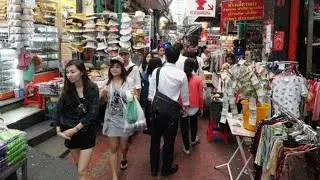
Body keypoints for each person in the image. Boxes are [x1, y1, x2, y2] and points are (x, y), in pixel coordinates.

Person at [54, 60, 100, 180]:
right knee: (80, 168)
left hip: (86, 133)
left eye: (73, 71)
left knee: (81, 170)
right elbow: (58, 110)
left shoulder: (92, 88)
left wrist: (74, 129)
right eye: (67, 72)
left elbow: (92, 114)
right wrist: (58, 130)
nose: (69, 75)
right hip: (71, 134)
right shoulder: (67, 89)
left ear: (82, 72)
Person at [149, 47, 189, 177]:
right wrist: (185, 109)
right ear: (177, 58)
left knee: (154, 140)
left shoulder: (157, 71)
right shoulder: (181, 75)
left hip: (157, 111)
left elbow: (151, 94)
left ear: (165, 56)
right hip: (172, 113)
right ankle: (166, 168)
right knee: (169, 141)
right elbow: (184, 96)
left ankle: (154, 167)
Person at [100, 56, 135, 180]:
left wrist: (132, 96)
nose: (114, 69)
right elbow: (101, 102)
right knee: (113, 149)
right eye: (112, 67)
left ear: (122, 68)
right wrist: (102, 95)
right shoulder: (107, 83)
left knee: (124, 147)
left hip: (125, 120)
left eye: (117, 66)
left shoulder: (129, 82)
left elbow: (134, 100)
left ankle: (124, 158)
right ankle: (115, 176)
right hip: (111, 119)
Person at [180, 58, 203, 155]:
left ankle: (186, 147)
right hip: (194, 106)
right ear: (194, 67)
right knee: (194, 123)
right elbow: (201, 95)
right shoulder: (198, 79)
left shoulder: (181, 77)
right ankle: (193, 139)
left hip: (183, 106)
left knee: (184, 127)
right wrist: (201, 107)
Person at [143, 57, 163, 135]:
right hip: (159, 99)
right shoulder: (162, 74)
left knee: (149, 115)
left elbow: (146, 89)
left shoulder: (147, 75)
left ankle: (150, 128)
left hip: (149, 98)